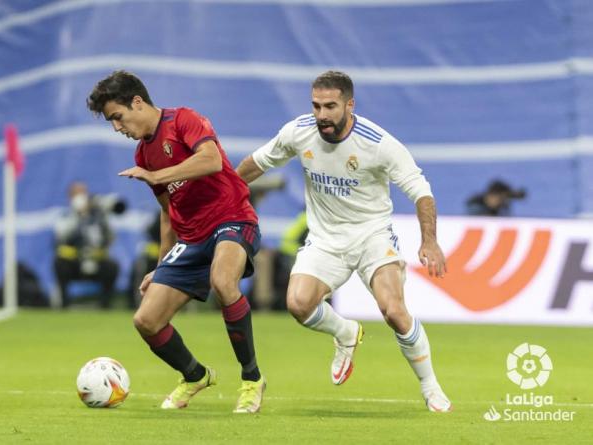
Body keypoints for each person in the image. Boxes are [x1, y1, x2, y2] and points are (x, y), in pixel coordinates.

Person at [236, 70, 452, 412]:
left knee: (394, 311)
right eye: (316, 106)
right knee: (298, 304)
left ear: (349, 105)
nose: (321, 115)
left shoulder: (378, 143)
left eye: (330, 106)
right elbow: (256, 164)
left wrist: (430, 241)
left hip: (372, 235)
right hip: (325, 239)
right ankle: (346, 333)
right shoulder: (299, 132)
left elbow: (421, 191)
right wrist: (223, 193)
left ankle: (431, 387)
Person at [87, 70, 265, 413]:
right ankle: (195, 375)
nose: (116, 128)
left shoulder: (185, 119)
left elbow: (212, 160)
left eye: (117, 117)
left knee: (222, 281)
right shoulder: (143, 155)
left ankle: (252, 379)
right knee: (146, 320)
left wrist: (156, 175)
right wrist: (161, 266)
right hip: (192, 237)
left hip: (232, 218)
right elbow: (169, 213)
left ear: (137, 102)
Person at [53, 181, 119, 309]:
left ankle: (105, 305)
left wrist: (104, 215)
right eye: (77, 193)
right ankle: (64, 304)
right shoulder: (66, 216)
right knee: (60, 264)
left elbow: (111, 237)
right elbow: (61, 235)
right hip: (74, 262)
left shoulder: (98, 216)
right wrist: (77, 215)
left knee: (112, 267)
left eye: (83, 193)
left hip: (96, 260)